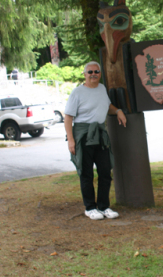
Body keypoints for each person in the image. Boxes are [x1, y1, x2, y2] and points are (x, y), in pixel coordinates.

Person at [64, 61, 127, 220]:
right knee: (86, 173)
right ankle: (90, 207)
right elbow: (68, 117)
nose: (93, 74)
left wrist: (118, 110)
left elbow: (107, 105)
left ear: (100, 73)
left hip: (100, 134)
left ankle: (104, 206)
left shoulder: (102, 89)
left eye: (96, 72)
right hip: (83, 135)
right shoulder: (77, 93)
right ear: (85, 74)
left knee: (105, 171)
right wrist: (70, 140)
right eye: (90, 72)